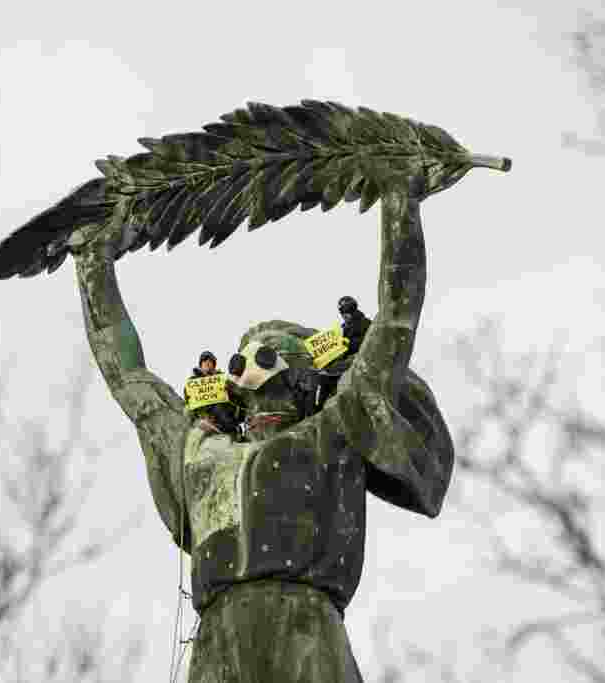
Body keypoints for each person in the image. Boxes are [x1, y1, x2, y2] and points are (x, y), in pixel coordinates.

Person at [71, 179, 454, 682]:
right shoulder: (199, 448)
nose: (249, 362)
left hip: (307, 630)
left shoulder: (334, 429)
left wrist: (399, 201)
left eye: (269, 353)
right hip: (219, 637)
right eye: (242, 357)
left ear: (301, 373)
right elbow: (131, 379)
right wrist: (93, 264)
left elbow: (397, 319)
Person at [316, 296, 374, 408]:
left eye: (347, 311)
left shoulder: (366, 324)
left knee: (329, 376)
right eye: (342, 312)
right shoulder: (343, 327)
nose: (344, 315)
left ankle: (322, 407)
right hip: (343, 359)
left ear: (354, 310)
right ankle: (319, 407)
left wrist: (347, 343)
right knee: (322, 375)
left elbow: (367, 344)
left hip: (356, 359)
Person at [183, 351, 244, 436]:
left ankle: (233, 428)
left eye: (210, 361)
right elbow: (189, 399)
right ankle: (207, 424)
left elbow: (236, 396)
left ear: (214, 365)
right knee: (187, 410)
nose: (207, 363)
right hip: (205, 413)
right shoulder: (192, 382)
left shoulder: (222, 378)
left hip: (224, 409)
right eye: (204, 361)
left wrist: (228, 388)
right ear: (201, 365)